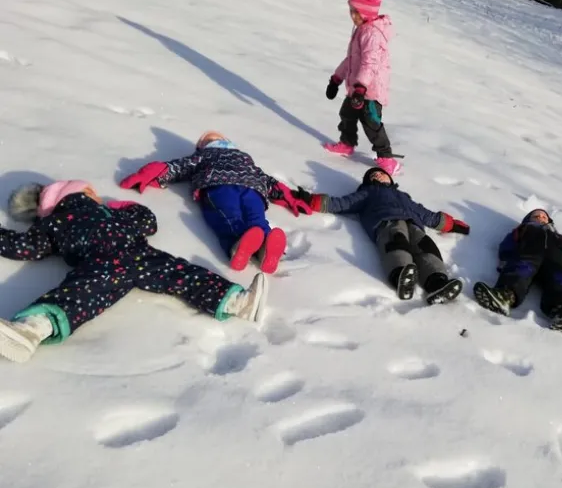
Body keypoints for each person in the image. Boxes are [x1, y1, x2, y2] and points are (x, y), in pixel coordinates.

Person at [0, 180, 267, 363]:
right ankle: (237, 302)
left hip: (117, 261)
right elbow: (147, 221)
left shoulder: (59, 223)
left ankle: (33, 329)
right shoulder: (80, 218)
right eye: (91, 191)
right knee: (182, 274)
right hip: (127, 258)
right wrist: (122, 207)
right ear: (81, 193)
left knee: (80, 296)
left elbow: (25, 247)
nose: (97, 195)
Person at [119, 131, 311, 274]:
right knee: (257, 218)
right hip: (253, 189)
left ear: (203, 146)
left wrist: (154, 171)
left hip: (219, 185)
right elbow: (267, 179)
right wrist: (288, 196)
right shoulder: (245, 159)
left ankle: (238, 244)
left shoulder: (204, 156)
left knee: (227, 216)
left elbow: (181, 167)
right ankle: (267, 244)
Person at [296, 167, 468, 303]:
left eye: (381, 173)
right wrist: (312, 200)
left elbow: (425, 214)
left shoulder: (403, 196)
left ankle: (437, 282)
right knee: (396, 241)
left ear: (390, 179)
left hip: (414, 225)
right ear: (368, 182)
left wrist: (450, 224)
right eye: (373, 175)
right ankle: (400, 275)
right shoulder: (368, 193)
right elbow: (342, 203)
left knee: (426, 246)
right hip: (386, 222)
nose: (378, 176)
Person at [472, 209, 562, 335]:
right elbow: (508, 244)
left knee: (560, 280)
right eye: (536, 216)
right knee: (520, 269)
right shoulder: (524, 229)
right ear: (528, 219)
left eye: (544, 216)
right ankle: (504, 296)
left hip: (555, 261)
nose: (540, 218)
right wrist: (506, 258)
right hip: (530, 253)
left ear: (549, 221)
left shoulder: (558, 237)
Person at [324, 0, 400, 175]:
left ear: (366, 12)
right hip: (357, 88)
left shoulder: (371, 34)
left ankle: (386, 157)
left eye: (356, 12)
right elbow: (351, 60)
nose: (352, 16)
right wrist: (336, 78)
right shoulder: (361, 30)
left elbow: (370, 63)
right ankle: (347, 143)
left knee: (371, 124)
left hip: (370, 92)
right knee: (347, 114)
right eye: (351, 11)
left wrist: (361, 88)